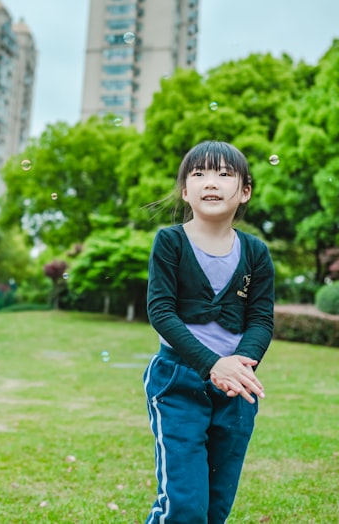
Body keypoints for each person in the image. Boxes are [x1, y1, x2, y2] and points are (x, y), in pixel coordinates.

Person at [143, 140, 275, 523]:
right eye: (198, 174)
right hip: (177, 382)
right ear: (186, 191)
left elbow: (261, 320)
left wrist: (238, 367)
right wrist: (212, 364)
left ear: (245, 191)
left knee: (215, 507)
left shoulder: (256, 252)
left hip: (237, 389)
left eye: (224, 173)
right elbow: (161, 311)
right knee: (184, 505)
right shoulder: (170, 242)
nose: (210, 182)